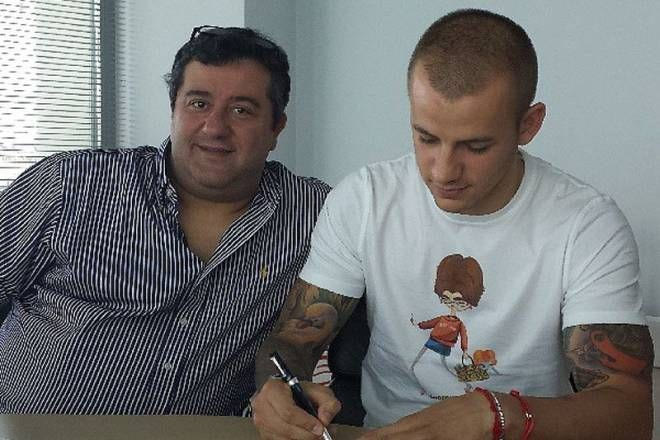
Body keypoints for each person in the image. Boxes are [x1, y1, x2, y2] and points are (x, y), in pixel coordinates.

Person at [251, 9, 654, 439]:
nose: (443, 171)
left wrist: (494, 415)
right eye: (426, 138)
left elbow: (630, 414)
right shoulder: (364, 200)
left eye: (475, 147)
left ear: (528, 124)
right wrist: (276, 388)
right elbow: (294, 339)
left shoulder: (586, 224)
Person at [0, 26, 330, 415]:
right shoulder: (70, 184)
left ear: (276, 128)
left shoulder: (315, 214)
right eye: (198, 104)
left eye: (241, 110)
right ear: (174, 109)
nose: (215, 127)